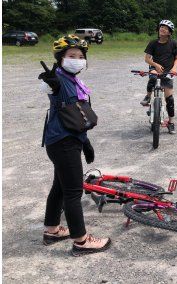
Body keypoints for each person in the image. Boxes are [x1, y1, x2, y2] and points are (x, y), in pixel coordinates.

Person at [38, 35, 111, 256]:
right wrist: (49, 83)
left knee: (59, 187)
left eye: (81, 57)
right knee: (73, 192)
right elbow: (50, 87)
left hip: (65, 140)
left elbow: (76, 115)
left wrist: (85, 141)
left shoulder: (73, 79)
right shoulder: (58, 79)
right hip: (63, 143)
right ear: (60, 58)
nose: (77, 60)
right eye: (71, 56)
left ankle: (52, 230)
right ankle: (81, 241)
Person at [140, 19, 177, 134]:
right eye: (161, 27)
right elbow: (147, 59)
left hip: (168, 71)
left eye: (165, 28)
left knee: (170, 100)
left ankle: (171, 122)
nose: (162, 29)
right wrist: (155, 65)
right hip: (155, 69)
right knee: (152, 77)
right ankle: (148, 97)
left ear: (169, 32)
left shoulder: (174, 44)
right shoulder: (153, 43)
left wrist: (174, 69)